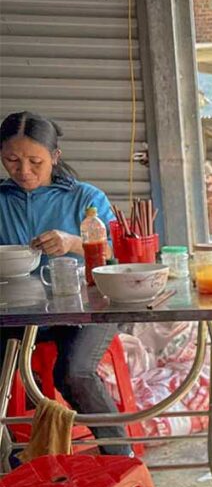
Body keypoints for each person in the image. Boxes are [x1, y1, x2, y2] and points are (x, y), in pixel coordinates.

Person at [0, 111, 132, 456]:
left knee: (73, 371)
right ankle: (13, 455)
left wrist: (74, 242)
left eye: (35, 161)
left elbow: (122, 251)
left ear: (54, 157)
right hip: (19, 310)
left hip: (87, 306)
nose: (23, 171)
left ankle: (120, 456)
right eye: (12, 160)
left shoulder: (84, 198)